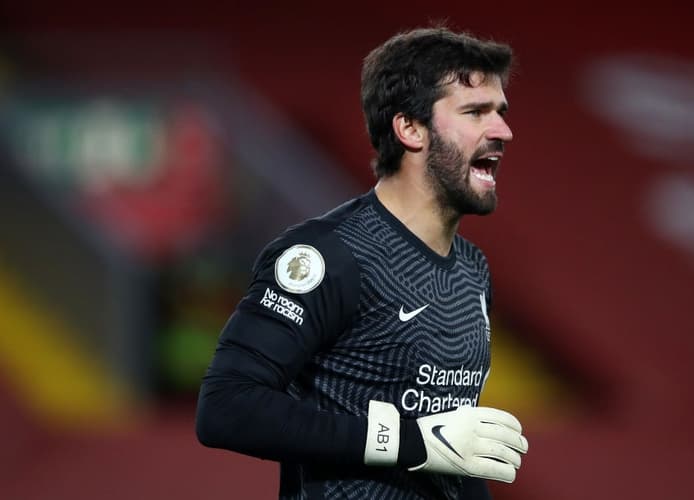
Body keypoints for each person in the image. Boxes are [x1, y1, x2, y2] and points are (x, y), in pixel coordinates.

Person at [196, 26, 529, 500]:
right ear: (409, 128)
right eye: (476, 112)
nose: (503, 131)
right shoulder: (328, 255)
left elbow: (451, 457)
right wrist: (409, 442)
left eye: (500, 113)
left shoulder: (472, 270)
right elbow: (227, 407)